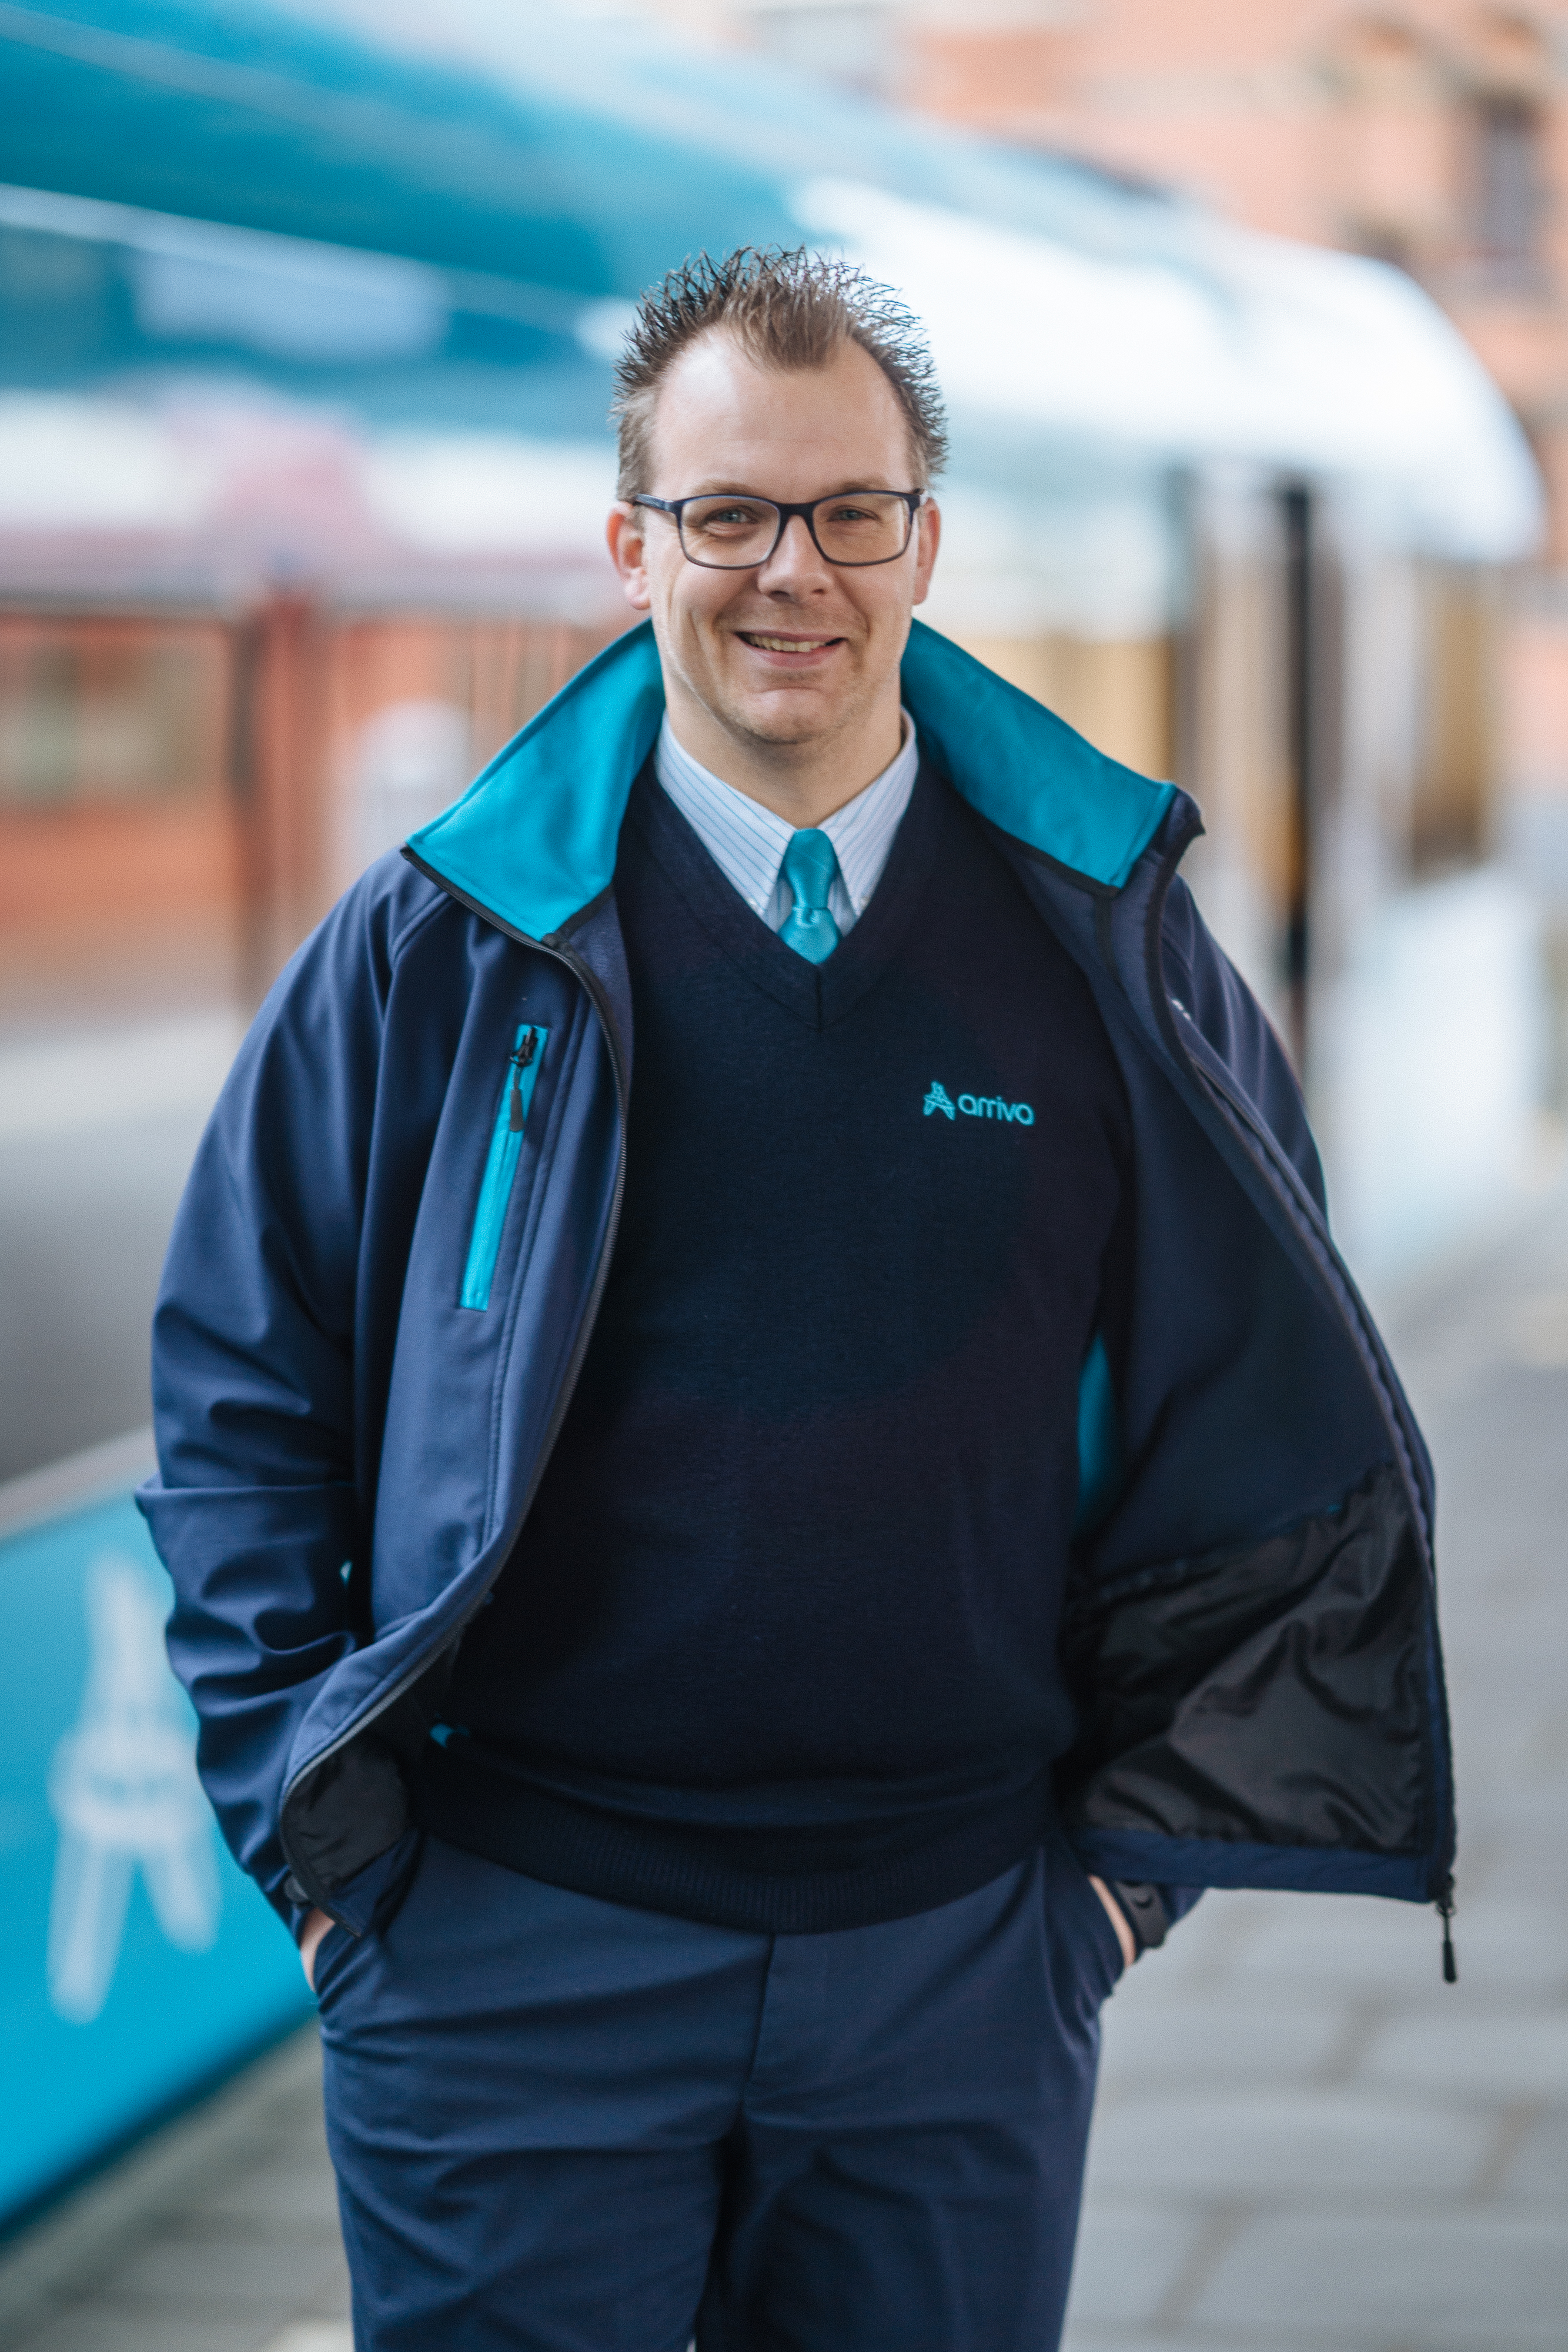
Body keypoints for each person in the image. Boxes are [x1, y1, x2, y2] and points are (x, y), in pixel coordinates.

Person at [142, 248, 1454, 2352]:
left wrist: (1125, 1882)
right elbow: (241, 1382)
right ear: (629, 542)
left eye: (848, 512)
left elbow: (1254, 1388)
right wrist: (331, 1861)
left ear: (924, 537)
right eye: (727, 514)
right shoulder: (438, 945)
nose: (791, 573)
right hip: (505, 1954)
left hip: (961, 1960)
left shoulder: (1108, 949)